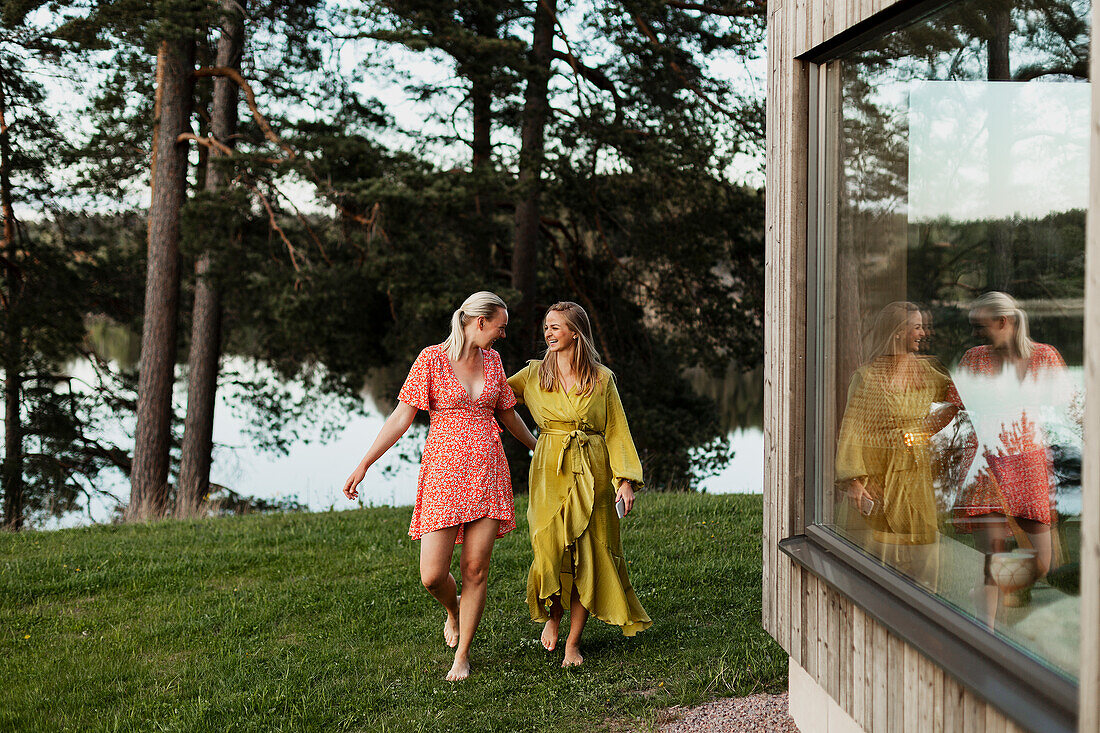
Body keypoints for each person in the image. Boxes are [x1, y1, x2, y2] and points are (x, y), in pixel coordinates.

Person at [342, 291, 537, 681]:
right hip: (443, 476)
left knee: (476, 569)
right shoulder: (431, 360)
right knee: (432, 576)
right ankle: (454, 609)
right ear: (479, 322)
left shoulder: (494, 362)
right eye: (500, 326)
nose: (503, 335)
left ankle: (462, 656)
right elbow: (400, 418)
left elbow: (508, 414)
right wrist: (364, 463)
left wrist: (538, 448)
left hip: (487, 471)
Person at [507, 301, 651, 667]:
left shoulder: (601, 378)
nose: (548, 333)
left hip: (593, 469)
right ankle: (552, 618)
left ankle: (573, 642)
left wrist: (625, 480)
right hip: (549, 471)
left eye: (556, 326)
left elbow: (617, 430)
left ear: (575, 332)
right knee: (550, 549)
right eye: (546, 327)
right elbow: (491, 398)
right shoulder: (533, 375)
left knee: (588, 555)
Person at [953, 291, 1072, 624]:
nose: (976, 334)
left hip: (1029, 465)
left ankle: (991, 591)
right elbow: (953, 405)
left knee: (1043, 562)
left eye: (981, 326)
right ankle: (984, 636)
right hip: (985, 463)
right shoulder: (973, 359)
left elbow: (1073, 406)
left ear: (1003, 322)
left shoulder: (1045, 357)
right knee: (992, 557)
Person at [835, 301, 962, 590]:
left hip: (915, 473)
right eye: (916, 327)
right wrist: (854, 482)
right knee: (877, 552)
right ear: (897, 333)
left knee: (922, 549)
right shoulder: (866, 377)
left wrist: (923, 431)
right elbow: (852, 430)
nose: (923, 333)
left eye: (922, 326)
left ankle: (924, 608)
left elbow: (959, 399)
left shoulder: (927, 373)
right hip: (878, 474)